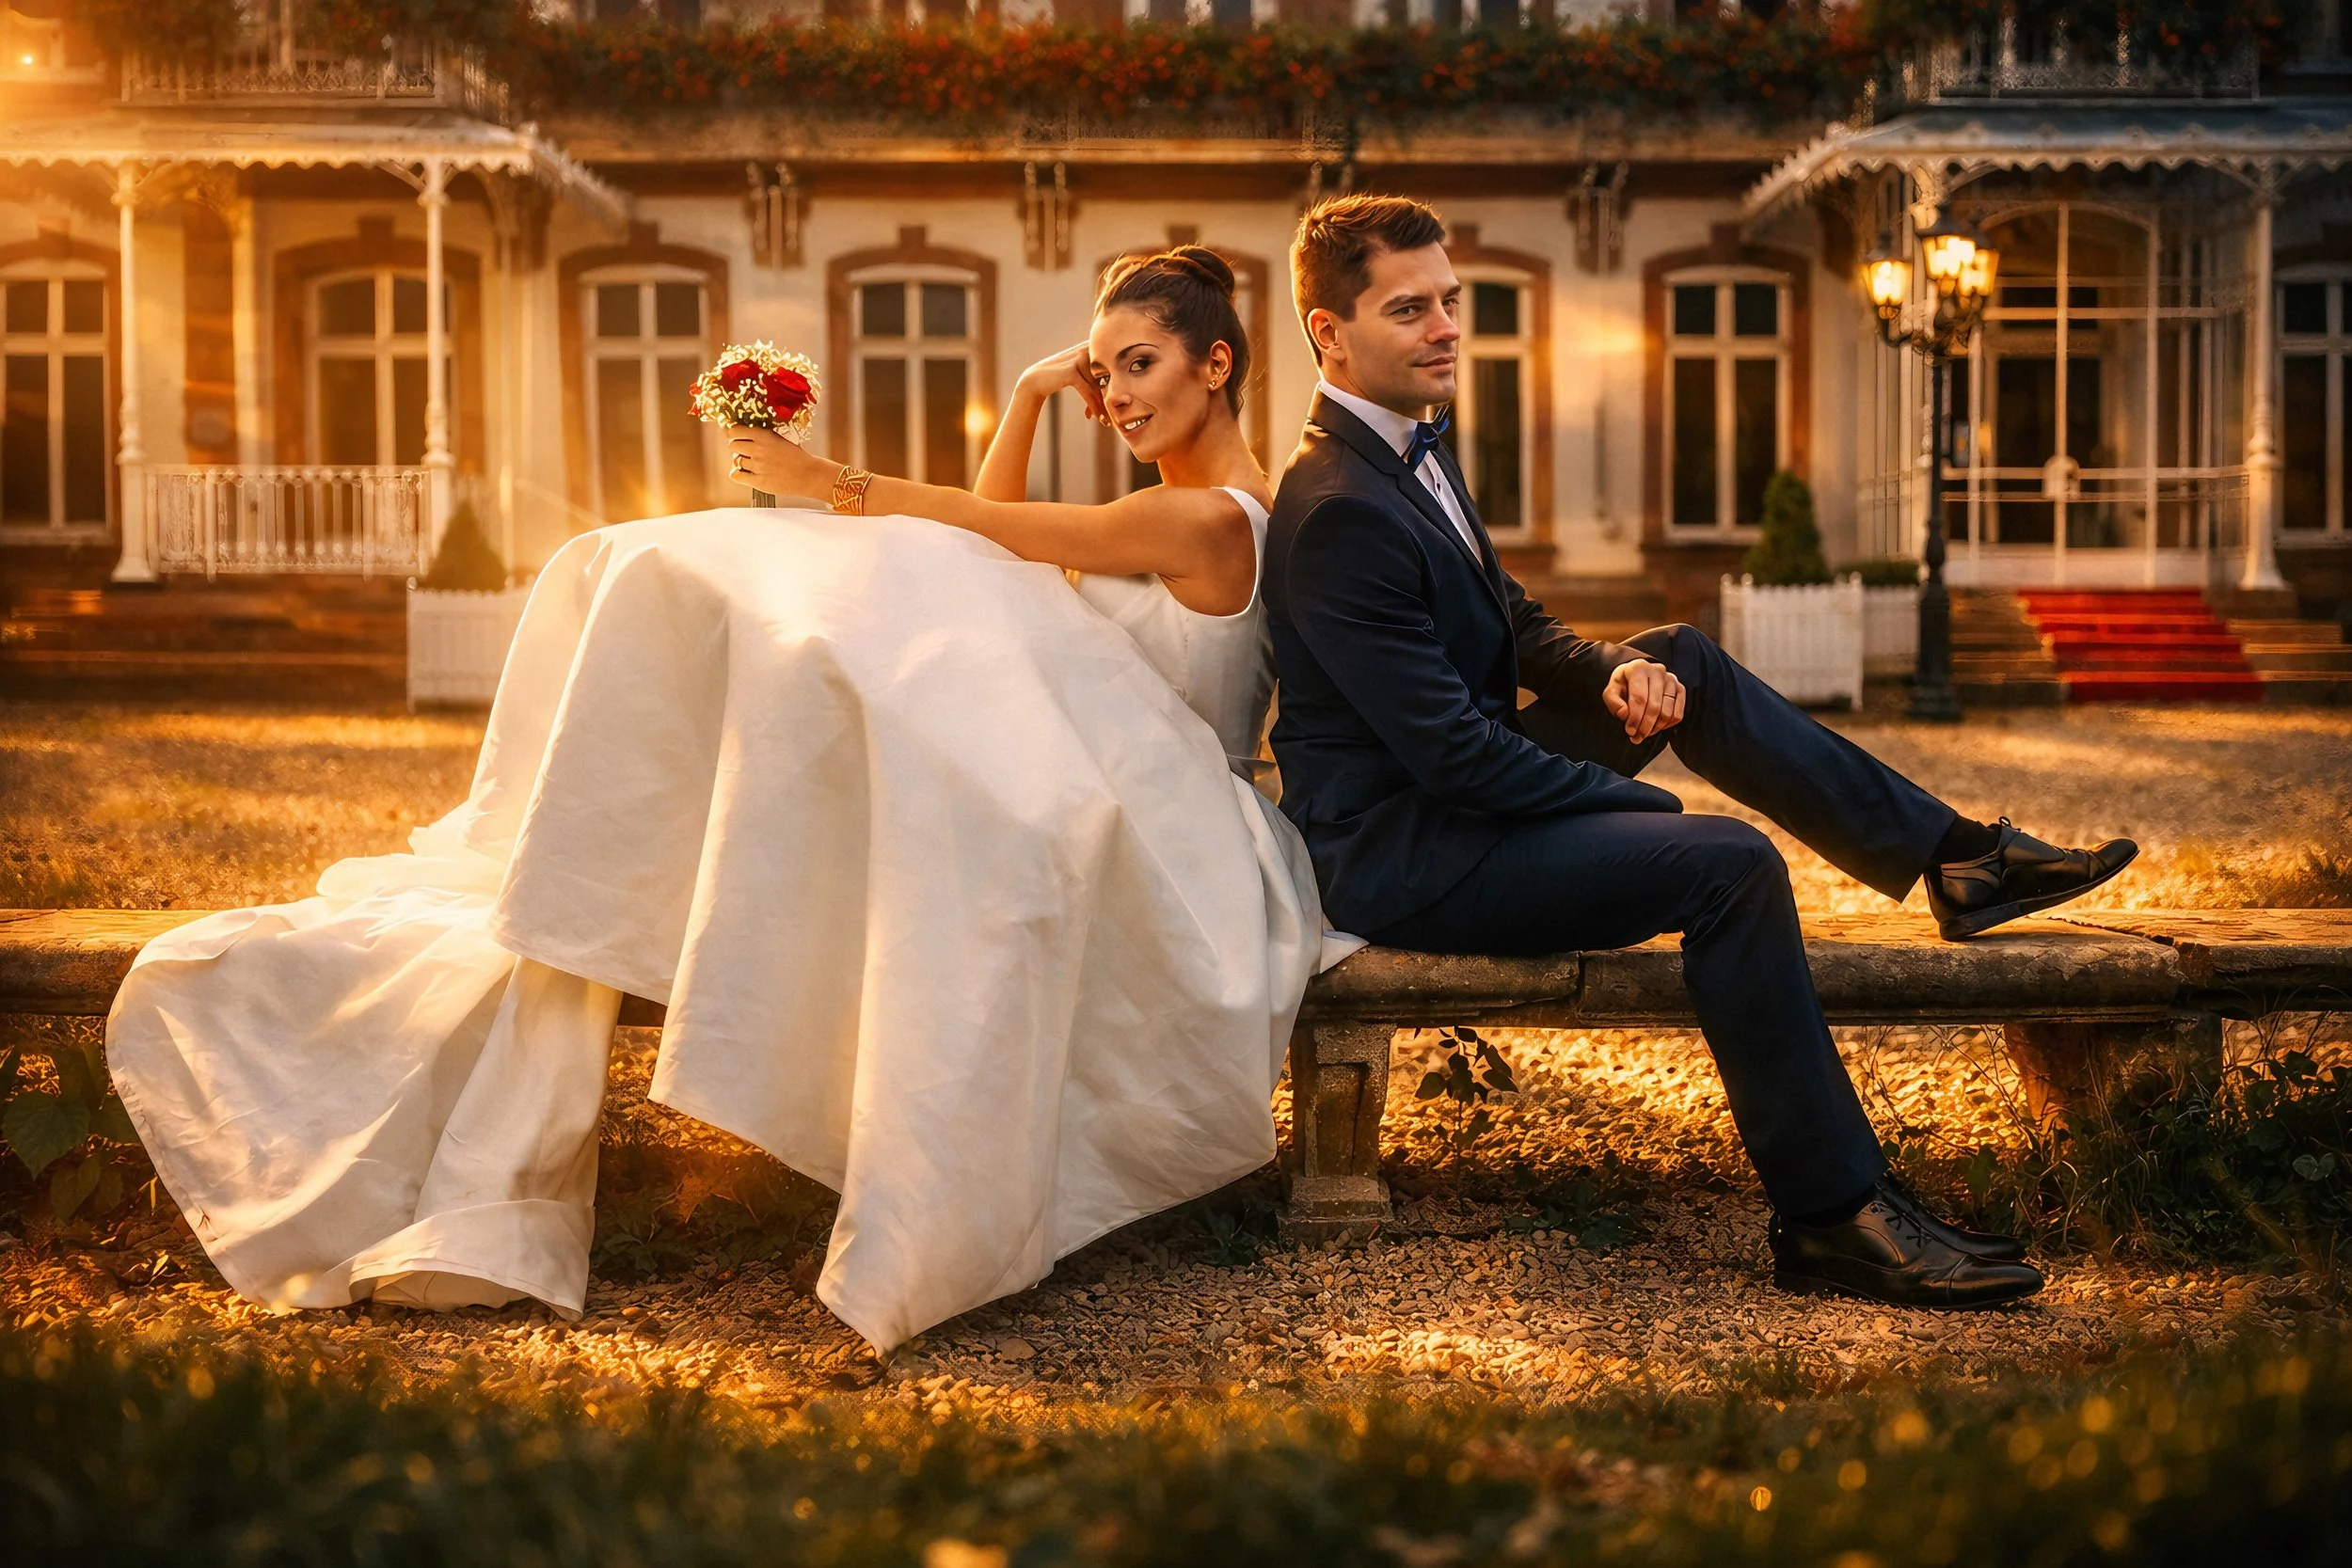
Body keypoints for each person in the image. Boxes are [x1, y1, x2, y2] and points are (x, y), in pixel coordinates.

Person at [107, 247, 1342, 1354]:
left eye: (1140, 365)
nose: (1115, 393)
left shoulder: (1200, 517)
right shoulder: (1157, 510)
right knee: (909, 690)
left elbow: (982, 523)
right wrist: (1024, 397)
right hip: (1120, 783)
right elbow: (991, 549)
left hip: (1180, 829)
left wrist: (823, 480)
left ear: (1216, 364)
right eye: (1103, 371)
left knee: (935, 735)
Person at [1263, 195, 2138, 1310]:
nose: (1445, 327)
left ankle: (1959, 857)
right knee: (1727, 863)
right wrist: (1634, 810)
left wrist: (1608, 670)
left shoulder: (1407, 443)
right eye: (1408, 309)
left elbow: (1511, 620)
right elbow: (1455, 759)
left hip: (1453, 798)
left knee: (1678, 657)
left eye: (1450, 300)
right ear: (1329, 331)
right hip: (1403, 852)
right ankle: (1834, 1215)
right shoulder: (1338, 505)